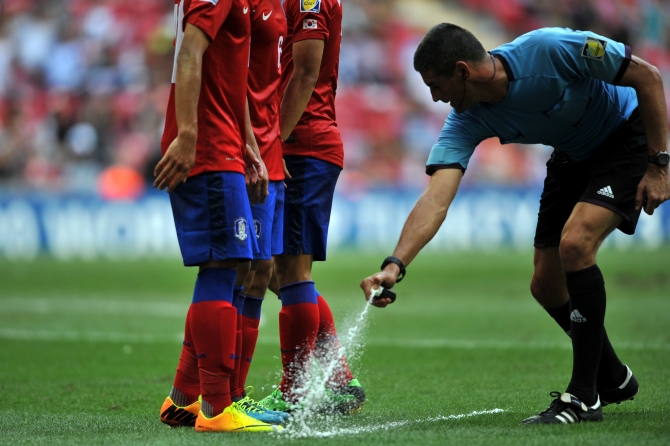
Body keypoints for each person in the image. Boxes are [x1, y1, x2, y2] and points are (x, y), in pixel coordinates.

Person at [360, 23, 669, 425]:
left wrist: (660, 164)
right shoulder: (465, 120)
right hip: (573, 154)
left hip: (626, 135)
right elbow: (436, 198)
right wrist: (394, 264)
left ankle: (583, 397)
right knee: (546, 282)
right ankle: (612, 377)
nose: (436, 98)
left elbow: (647, 75)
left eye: (437, 85)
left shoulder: (550, 48)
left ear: (462, 70)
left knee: (575, 244)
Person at [154, 0, 279, 433]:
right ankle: (217, 408)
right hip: (206, 143)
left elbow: (230, 74)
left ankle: (186, 400)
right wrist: (188, 135)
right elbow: (191, 52)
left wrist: (247, 142)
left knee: (233, 263)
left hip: (224, 139)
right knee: (223, 263)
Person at [259, 0, 365, 413]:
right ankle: (338, 379)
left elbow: (305, 72)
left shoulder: (311, 1)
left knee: (291, 271)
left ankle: (294, 392)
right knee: (272, 269)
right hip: (292, 143)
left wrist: (274, 139)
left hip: (302, 144)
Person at [226, 0, 290, 424]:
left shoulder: (279, 6)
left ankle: (230, 392)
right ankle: (221, 395)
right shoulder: (244, 6)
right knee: (240, 268)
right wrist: (249, 146)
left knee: (262, 269)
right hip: (251, 147)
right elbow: (233, 77)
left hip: (271, 146)